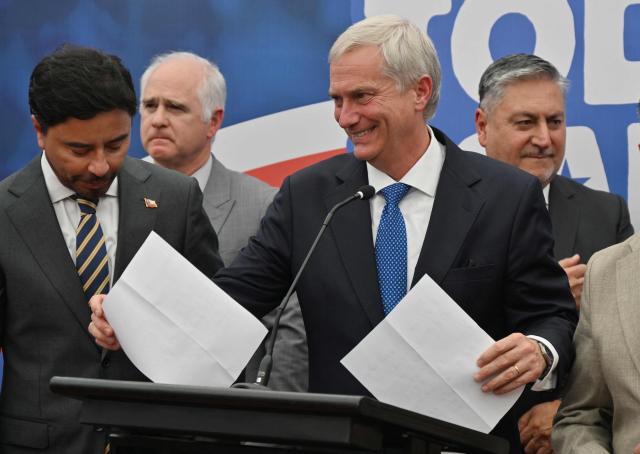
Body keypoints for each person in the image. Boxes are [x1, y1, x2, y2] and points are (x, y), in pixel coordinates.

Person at [91, 16, 577, 453]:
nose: (345, 117)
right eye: (337, 100)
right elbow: (229, 301)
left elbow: (550, 313)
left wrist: (539, 349)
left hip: (463, 444)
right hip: (345, 443)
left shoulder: (506, 195)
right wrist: (133, 318)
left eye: (362, 97)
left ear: (420, 91)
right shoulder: (309, 195)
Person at [0, 45, 223, 453]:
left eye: (117, 144)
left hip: (156, 438)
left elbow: (215, 326)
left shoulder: (176, 199)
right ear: (38, 129)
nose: (100, 166)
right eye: (79, 150)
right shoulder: (4, 214)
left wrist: (147, 326)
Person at [475, 53, 634, 453]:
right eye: (526, 122)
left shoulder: (606, 212)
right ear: (482, 126)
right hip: (477, 434)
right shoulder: (448, 213)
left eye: (555, 122)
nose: (544, 139)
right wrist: (543, 298)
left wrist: (564, 411)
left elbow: (625, 347)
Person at [138, 51, 308, 391]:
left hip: (217, 417)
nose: (157, 119)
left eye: (174, 107)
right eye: (149, 105)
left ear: (213, 122)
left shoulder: (264, 205)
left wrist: (275, 427)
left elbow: (288, 331)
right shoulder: (110, 197)